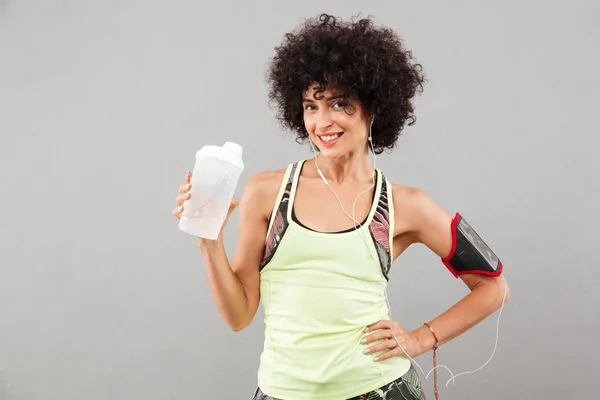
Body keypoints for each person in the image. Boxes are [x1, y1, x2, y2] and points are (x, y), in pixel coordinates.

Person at [172, 13, 509, 400]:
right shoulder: (267, 192)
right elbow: (239, 315)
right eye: (311, 106)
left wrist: (420, 338)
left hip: (378, 390)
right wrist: (208, 240)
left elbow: (493, 286)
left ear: (374, 107)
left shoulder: (406, 205)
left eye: (339, 103)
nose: (322, 121)